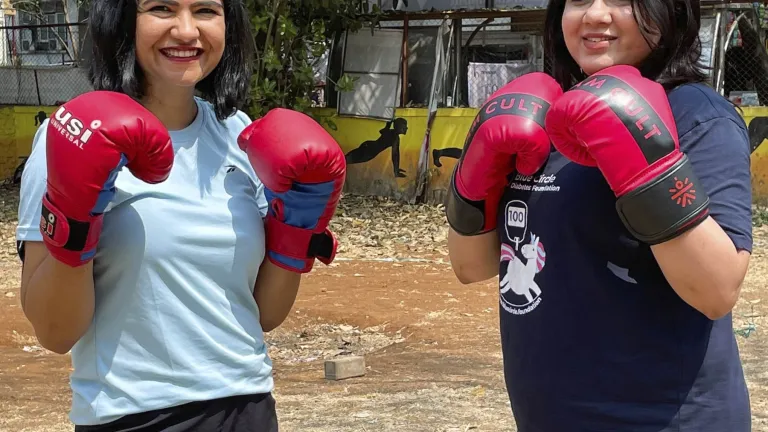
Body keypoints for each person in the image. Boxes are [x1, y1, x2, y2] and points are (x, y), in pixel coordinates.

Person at [15, 0, 346, 429]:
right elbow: (54, 333)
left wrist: (297, 223)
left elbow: (263, 314)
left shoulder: (238, 135)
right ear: (121, 21)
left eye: (206, 10)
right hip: (133, 415)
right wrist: (75, 216)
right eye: (161, 9)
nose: (187, 31)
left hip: (248, 407)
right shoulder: (69, 136)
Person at [445, 0, 753, 430]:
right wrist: (472, 176)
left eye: (622, 0)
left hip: (664, 419)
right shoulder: (540, 115)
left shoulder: (697, 115)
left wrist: (646, 168)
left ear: (669, 12)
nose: (595, 14)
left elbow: (717, 291)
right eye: (578, 0)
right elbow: (470, 266)